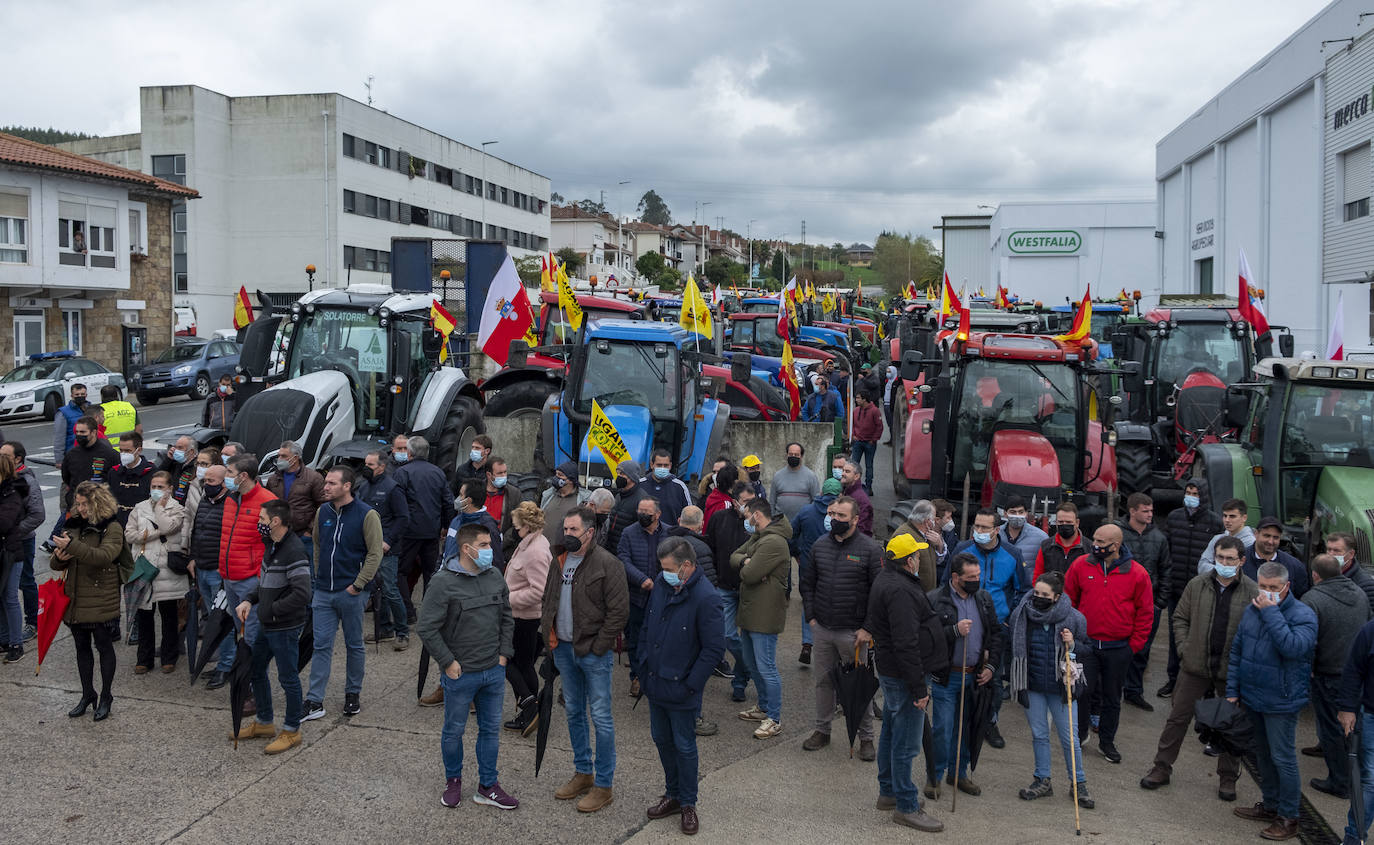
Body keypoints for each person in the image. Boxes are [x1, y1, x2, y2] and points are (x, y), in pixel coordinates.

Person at [1140, 535, 1257, 801]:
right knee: (1177, 718)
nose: (1224, 563)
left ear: (1241, 561)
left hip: (1231, 671)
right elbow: (1179, 617)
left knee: (1229, 726)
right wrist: (1184, 647)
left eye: (1229, 559)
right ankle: (1161, 767)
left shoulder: (1252, 591)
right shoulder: (1198, 584)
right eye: (1220, 558)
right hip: (1194, 666)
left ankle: (1228, 778)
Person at [418, 522, 518, 811]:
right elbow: (426, 628)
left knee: (490, 731)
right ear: (466, 548)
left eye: (490, 545)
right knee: (453, 731)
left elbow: (507, 617)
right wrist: (448, 663)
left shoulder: (495, 575)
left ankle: (488, 786)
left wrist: (503, 655)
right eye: (485, 545)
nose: (490, 550)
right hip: (461, 674)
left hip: (493, 671)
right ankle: (453, 782)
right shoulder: (443, 582)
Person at [540, 505, 629, 813]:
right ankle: (583, 773)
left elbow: (619, 612)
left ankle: (604, 785)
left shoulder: (609, 564)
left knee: (601, 719)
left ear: (590, 533)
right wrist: (548, 637)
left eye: (573, 530)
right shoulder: (559, 558)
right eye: (565, 529)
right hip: (563, 649)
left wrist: (599, 647)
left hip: (592, 653)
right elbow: (548, 598)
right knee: (574, 712)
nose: (567, 534)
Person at [635, 536, 725, 836]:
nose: (664, 573)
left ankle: (688, 803)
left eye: (670, 568)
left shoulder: (707, 597)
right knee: (661, 740)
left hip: (682, 688)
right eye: (662, 568)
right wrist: (643, 664)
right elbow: (648, 624)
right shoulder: (662, 584)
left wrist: (691, 685)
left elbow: (713, 649)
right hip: (655, 682)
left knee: (685, 745)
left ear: (687, 566)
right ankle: (672, 794)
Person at [862, 529, 945, 832]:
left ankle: (889, 792)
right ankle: (906, 805)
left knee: (893, 732)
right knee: (906, 744)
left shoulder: (888, 580)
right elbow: (906, 642)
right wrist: (919, 688)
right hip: (903, 674)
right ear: (909, 560)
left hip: (893, 671)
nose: (920, 558)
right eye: (918, 554)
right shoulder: (900, 590)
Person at [1228, 562, 1317, 841]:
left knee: (1283, 758)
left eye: (1273, 589)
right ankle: (1270, 804)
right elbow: (1238, 650)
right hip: (1253, 696)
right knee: (1262, 755)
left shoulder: (1303, 615)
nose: (1266, 593)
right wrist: (1233, 689)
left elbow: (1292, 648)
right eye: (1262, 587)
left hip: (1282, 700)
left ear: (1286, 587)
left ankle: (1289, 816)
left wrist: (1271, 612)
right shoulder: (1251, 609)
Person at [800, 495, 883, 760]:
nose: (834, 519)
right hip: (823, 628)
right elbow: (807, 583)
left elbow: (879, 594)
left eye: (841, 516)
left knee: (857, 687)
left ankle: (866, 738)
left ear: (856, 520)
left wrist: (868, 628)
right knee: (824, 683)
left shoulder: (870, 550)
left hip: (854, 634)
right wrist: (811, 616)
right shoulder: (819, 545)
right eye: (832, 514)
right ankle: (822, 731)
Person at [1063, 523, 1153, 765]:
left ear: (1116, 545)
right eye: (1095, 540)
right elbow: (1068, 599)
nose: (1096, 545)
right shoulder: (1081, 565)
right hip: (1086, 645)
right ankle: (1080, 734)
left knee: (1112, 698)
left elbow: (1145, 614)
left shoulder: (1137, 574)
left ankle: (1107, 741)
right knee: (1081, 692)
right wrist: (1072, 635)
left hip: (1118, 648)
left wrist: (1133, 647)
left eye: (1102, 543)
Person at [231, 499, 312, 754]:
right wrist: (250, 599)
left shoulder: (294, 551)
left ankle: (291, 731)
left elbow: (302, 593)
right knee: (256, 668)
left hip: (284, 627)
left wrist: (270, 610)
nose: (259, 523)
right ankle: (264, 722)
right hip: (269, 623)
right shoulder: (272, 545)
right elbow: (265, 582)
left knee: (288, 678)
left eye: (262, 520)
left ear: (276, 522)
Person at [1009, 572, 1094, 809]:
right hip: (1033, 685)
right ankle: (1042, 779)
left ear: (1056, 596)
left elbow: (1087, 651)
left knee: (1070, 739)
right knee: (1039, 735)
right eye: (1036, 593)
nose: (1038, 598)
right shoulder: (1022, 615)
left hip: (1062, 687)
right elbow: (1014, 648)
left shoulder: (1074, 619)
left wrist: (1073, 644)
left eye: (1044, 595)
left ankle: (1078, 783)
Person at [304, 467, 383, 721]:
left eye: (331, 483)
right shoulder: (322, 512)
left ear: (347, 486)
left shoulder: (367, 515)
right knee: (321, 645)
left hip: (351, 592)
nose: (325, 487)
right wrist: (317, 577)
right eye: (325, 482)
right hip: (324, 592)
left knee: (354, 645)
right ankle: (315, 700)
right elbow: (318, 544)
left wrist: (358, 585)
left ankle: (353, 694)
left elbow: (375, 554)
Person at [927, 551, 1001, 798]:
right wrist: (954, 631)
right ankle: (934, 777)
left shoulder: (984, 599)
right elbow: (928, 638)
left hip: (975, 677)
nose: (976, 580)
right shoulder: (936, 599)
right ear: (956, 577)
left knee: (967, 728)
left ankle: (958, 773)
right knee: (943, 729)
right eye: (971, 576)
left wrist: (991, 668)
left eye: (978, 575)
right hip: (947, 677)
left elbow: (997, 635)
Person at [50, 481, 124, 722]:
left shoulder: (111, 527)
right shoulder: (73, 526)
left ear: (97, 502)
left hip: (100, 597)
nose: (80, 509)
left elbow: (104, 557)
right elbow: (57, 563)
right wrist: (59, 557)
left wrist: (73, 546)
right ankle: (87, 694)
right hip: (76, 598)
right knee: (81, 649)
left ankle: (106, 696)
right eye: (78, 504)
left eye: (85, 504)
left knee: (103, 647)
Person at [952, 506, 1023, 747]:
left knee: (992, 677)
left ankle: (989, 722)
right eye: (976, 526)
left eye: (984, 527)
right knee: (962, 673)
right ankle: (962, 721)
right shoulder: (962, 549)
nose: (979, 531)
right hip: (965, 624)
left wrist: (1007, 616)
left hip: (996, 627)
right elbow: (947, 584)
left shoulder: (1012, 554)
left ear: (996, 529)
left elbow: (1021, 590)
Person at [1301, 553, 1369, 799]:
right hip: (1358, 675)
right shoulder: (1359, 594)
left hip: (1328, 675)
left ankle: (1339, 782)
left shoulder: (1312, 599)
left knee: (1331, 730)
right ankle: (1360, 778)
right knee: (1354, 729)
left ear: (1315, 575)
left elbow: (1308, 642)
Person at [730, 498, 792, 739]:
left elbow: (749, 573)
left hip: (764, 614)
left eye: (746, 515)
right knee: (750, 660)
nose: (745, 520)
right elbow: (734, 556)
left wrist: (747, 564)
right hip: (750, 611)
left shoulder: (774, 542)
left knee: (766, 666)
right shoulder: (759, 537)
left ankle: (774, 717)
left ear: (756, 515)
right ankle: (764, 705)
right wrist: (746, 560)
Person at [217, 456, 278, 690]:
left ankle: (252, 689)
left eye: (229, 472)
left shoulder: (268, 502)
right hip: (229, 578)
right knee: (240, 634)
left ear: (243, 476)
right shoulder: (232, 499)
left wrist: (263, 579)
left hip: (251, 581)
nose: (226, 477)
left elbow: (275, 545)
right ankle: (244, 680)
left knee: (251, 637)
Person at [1158, 481, 1223, 698]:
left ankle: (1202, 685)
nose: (1191, 496)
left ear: (1203, 496)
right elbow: (1166, 552)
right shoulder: (1174, 517)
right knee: (1176, 636)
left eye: (1195, 493)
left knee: (1202, 637)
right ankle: (1173, 680)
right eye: (1188, 492)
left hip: (1202, 591)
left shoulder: (1214, 522)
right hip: (1177, 589)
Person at [126, 472, 187, 674]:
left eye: (161, 486)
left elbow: (169, 526)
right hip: (145, 567)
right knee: (144, 617)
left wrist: (160, 507)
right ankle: (144, 658)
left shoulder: (177, 508)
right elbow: (130, 534)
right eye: (154, 486)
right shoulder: (139, 507)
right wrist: (154, 534)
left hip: (166, 570)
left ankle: (169, 657)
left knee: (169, 616)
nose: (156, 490)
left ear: (170, 488)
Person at [395, 435, 455, 624]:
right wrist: (446, 525)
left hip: (409, 532)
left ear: (409, 452)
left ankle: (407, 611)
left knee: (400, 572)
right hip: (432, 531)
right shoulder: (438, 472)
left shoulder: (402, 472)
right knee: (430, 573)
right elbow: (448, 502)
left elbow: (398, 504)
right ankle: (430, 614)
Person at [502, 501, 551, 735]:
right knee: (522, 664)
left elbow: (538, 591)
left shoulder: (536, 551)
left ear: (528, 527)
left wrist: (507, 598)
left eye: (517, 527)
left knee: (504, 660)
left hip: (523, 618)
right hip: (519, 616)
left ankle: (530, 704)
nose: (514, 530)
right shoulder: (530, 543)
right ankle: (531, 709)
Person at [1119, 493, 1170, 712]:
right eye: (1145, 510)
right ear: (1132, 511)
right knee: (1118, 648)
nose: (1150, 514)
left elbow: (1166, 570)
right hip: (1122, 603)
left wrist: (1159, 603)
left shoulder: (1159, 538)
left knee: (1142, 650)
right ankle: (1113, 690)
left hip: (1149, 606)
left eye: (1151, 510)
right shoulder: (1118, 534)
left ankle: (1134, 692)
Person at [357, 450, 411, 650]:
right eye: (366, 464)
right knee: (375, 590)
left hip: (386, 548)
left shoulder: (393, 488)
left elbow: (403, 518)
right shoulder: (363, 487)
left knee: (389, 589)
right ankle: (385, 629)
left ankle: (402, 632)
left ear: (381, 467)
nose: (366, 468)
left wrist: (388, 541)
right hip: (368, 548)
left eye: (370, 465)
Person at [707, 481, 754, 703]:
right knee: (727, 634)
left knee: (748, 636)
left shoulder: (757, 523)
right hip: (724, 586)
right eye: (746, 502)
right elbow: (710, 548)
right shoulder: (719, 519)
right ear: (734, 501)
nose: (749, 507)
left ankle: (739, 684)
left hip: (750, 588)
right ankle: (750, 664)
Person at [618, 496, 668, 698]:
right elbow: (623, 559)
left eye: (646, 513)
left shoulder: (668, 532)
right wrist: (641, 579)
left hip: (662, 597)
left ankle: (656, 677)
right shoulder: (629, 533)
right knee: (636, 639)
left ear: (657, 515)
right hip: (636, 595)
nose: (641, 516)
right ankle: (637, 677)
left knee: (660, 639)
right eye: (639, 512)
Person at [790, 477, 841, 663]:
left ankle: (807, 643)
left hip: (808, 565)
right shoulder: (841, 514)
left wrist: (797, 553)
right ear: (839, 495)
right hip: (834, 566)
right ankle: (828, 645)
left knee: (808, 602)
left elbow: (791, 534)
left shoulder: (806, 511)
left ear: (821, 493)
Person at [188, 463, 231, 688]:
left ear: (224, 484)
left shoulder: (231, 503)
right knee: (211, 621)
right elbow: (197, 530)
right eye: (205, 481)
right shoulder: (206, 500)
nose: (206, 485)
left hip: (217, 571)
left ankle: (226, 666)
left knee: (221, 621)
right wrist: (193, 557)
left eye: (211, 482)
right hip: (202, 568)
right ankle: (220, 664)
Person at [0, 442, 43, 647]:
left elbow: (37, 515)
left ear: (18, 459)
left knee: (25, 582)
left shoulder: (25, 481)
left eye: (5, 455)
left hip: (21, 541)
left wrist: (13, 533)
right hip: (7, 541)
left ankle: (32, 623)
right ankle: (6, 634)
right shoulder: (4, 480)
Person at [1339, 613, 1374, 845]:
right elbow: (1353, 669)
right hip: (1371, 715)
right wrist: (1348, 708)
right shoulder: (1370, 631)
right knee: (1369, 781)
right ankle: (1354, 837)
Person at [265, 441, 326, 560]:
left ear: (295, 458)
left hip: (302, 535)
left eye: (284, 456)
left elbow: (322, 505)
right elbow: (268, 504)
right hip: (279, 534)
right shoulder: (273, 479)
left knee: (304, 571)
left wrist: (309, 530)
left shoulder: (313, 478)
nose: (279, 459)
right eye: (279, 455)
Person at [0, 455, 30, 663]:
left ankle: (16, 643)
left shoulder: (12, 494)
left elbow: (4, 523)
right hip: (4, 551)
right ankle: (3, 639)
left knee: (10, 597)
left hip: (10, 553)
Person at [59, 416, 118, 512]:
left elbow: (116, 479)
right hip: (77, 507)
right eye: (77, 432)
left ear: (94, 432)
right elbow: (66, 478)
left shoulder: (109, 454)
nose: (78, 435)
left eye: (83, 432)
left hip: (100, 508)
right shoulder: (71, 454)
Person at [1245, 516, 1311, 598]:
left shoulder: (1295, 566)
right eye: (1267, 536)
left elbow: (1301, 599)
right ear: (1256, 534)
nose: (1270, 541)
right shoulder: (1240, 560)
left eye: (1275, 537)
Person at [887, 499, 941, 589]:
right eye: (934, 518)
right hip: (913, 595)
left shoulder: (928, 534)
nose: (935, 522)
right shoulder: (903, 535)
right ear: (927, 521)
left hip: (926, 595)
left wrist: (939, 544)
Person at [1032, 502, 1090, 581]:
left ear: (1077, 523)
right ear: (1055, 522)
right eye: (1060, 522)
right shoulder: (1046, 546)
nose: (1064, 525)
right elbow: (1037, 577)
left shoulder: (1088, 548)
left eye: (1068, 522)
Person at [108, 432, 156, 528]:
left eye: (128, 451)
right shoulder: (114, 472)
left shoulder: (151, 472)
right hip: (118, 525)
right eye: (121, 450)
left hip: (142, 525)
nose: (123, 454)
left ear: (139, 450)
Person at [997, 495, 1049, 582]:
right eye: (1013, 512)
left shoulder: (1041, 537)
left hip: (1026, 589)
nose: (1017, 516)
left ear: (1026, 514)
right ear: (1005, 514)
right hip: (1000, 586)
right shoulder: (996, 534)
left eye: (1021, 512)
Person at [604, 459, 650, 554]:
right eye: (618, 473)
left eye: (622, 474)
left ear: (632, 477)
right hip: (611, 549)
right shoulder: (619, 495)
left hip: (626, 551)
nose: (619, 477)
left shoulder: (642, 500)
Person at [540, 461, 589, 548]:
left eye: (560, 475)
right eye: (556, 474)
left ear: (571, 480)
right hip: (543, 549)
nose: (556, 478)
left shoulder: (583, 500)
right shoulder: (547, 495)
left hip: (565, 552)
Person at [1198, 498, 1256, 572]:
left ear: (1244, 518)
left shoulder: (1251, 543)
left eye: (1232, 516)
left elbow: (1248, 572)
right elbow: (1202, 566)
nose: (1227, 520)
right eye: (1225, 516)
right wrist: (1222, 571)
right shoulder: (1217, 539)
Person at [770, 442, 820, 523]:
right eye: (791, 454)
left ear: (801, 456)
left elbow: (816, 500)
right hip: (780, 524)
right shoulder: (777, 476)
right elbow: (772, 501)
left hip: (803, 523)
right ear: (787, 455)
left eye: (796, 455)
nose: (793, 457)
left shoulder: (811, 476)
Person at [640, 449, 691, 527]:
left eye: (666, 465)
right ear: (651, 465)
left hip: (671, 536)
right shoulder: (640, 484)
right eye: (659, 465)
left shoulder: (680, 487)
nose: (662, 468)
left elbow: (689, 514)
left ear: (670, 465)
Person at [484, 456, 526, 546]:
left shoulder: (514, 494)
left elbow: (520, 521)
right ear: (489, 475)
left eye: (505, 472)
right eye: (499, 473)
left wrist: (502, 541)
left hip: (504, 548)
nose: (503, 476)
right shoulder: (477, 492)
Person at [1329, 531, 1374, 615]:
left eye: (1336, 550)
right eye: (1329, 550)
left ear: (1351, 554)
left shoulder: (1366, 585)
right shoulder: (1324, 575)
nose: (1331, 554)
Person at [850, 393, 883, 493]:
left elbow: (879, 427)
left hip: (869, 443)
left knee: (869, 465)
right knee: (854, 464)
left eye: (858, 398)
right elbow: (852, 424)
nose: (856, 400)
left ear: (865, 399)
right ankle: (855, 486)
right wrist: (853, 435)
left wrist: (873, 440)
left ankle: (868, 487)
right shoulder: (856, 411)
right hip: (858, 442)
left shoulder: (875, 411)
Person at [51, 382, 89, 468]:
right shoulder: (63, 412)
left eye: (82, 394)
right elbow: (59, 437)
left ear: (86, 395)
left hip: (89, 452)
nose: (80, 396)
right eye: (77, 394)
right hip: (72, 453)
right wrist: (59, 460)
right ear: (72, 395)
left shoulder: (90, 409)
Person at [839, 460, 873, 536]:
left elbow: (861, 528)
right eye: (843, 470)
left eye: (847, 471)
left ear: (856, 476)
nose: (843, 474)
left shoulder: (861, 499)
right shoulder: (847, 491)